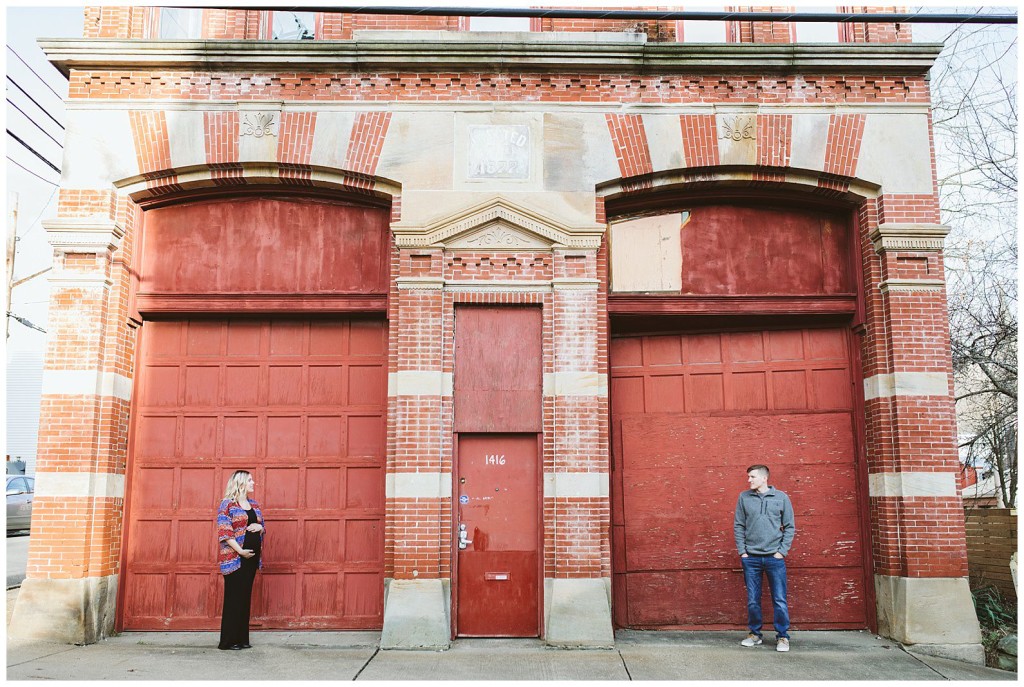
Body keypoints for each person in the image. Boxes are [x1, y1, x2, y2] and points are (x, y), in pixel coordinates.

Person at [734, 463, 795, 652]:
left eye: (752, 476)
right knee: (753, 599)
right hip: (751, 558)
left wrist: (781, 552)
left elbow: (790, 527)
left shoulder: (781, 498)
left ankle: (783, 637)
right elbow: (739, 526)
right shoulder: (744, 498)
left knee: (779, 599)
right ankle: (755, 634)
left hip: (774, 558)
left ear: (764, 478)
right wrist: (743, 552)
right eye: (749, 477)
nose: (749, 480)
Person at [217, 470, 265, 650]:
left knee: (245, 598)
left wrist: (259, 526)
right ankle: (228, 641)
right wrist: (240, 552)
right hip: (235, 559)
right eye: (250, 480)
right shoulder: (227, 504)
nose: (254, 482)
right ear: (241, 482)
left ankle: (242, 639)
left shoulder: (254, 504)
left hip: (251, 559)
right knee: (233, 599)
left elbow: (262, 525)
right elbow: (225, 531)